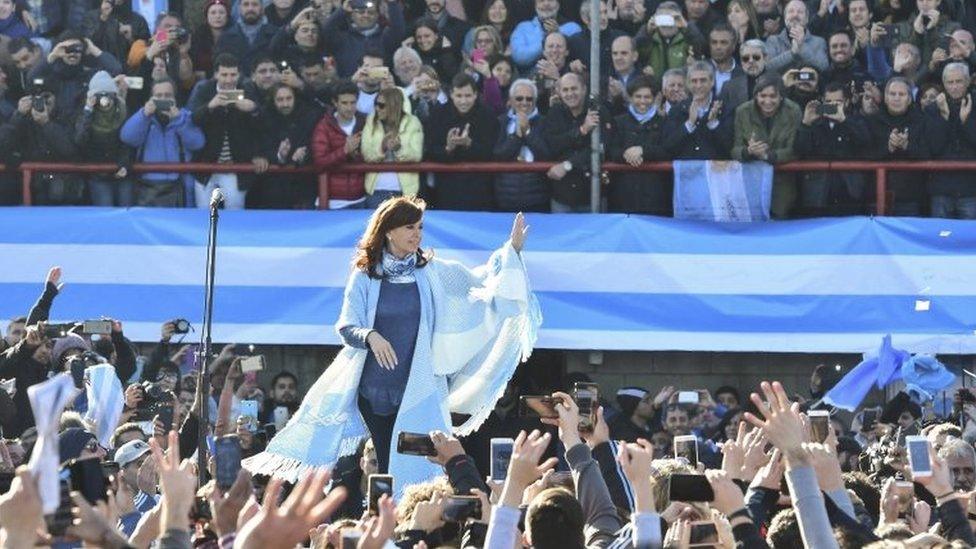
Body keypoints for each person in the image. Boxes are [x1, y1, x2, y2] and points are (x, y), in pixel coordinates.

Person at [244, 198, 540, 492]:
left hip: (421, 387)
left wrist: (511, 251)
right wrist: (370, 336)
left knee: (424, 465)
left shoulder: (431, 271)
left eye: (420, 227)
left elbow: (479, 284)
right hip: (375, 393)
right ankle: (388, 527)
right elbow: (346, 326)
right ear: (389, 230)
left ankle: (413, 525)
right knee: (387, 462)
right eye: (410, 227)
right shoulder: (364, 276)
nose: (417, 233)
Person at [187, 53, 268, 210]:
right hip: (206, 164)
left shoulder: (248, 89)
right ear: (216, 74)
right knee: (204, 213)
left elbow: (262, 125)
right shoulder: (204, 89)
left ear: (239, 74)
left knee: (235, 212)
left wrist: (253, 109)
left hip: (235, 166)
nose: (229, 79)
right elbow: (193, 119)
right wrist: (211, 106)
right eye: (224, 75)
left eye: (233, 75)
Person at [120, 77, 206, 207]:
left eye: (168, 95)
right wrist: (144, 115)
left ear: (175, 98)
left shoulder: (184, 116)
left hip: (179, 185)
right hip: (148, 186)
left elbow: (198, 143)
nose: (163, 99)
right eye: (158, 96)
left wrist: (178, 121)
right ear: (151, 98)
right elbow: (127, 137)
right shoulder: (144, 116)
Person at [795, 81, 871, 216]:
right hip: (818, 196)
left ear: (847, 102)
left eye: (838, 102)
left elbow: (865, 141)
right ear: (823, 102)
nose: (832, 106)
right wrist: (806, 124)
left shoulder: (857, 121)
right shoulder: (814, 123)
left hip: (850, 194)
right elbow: (800, 150)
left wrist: (843, 120)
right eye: (828, 102)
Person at [424, 73, 499, 211]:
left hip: (480, 191)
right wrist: (448, 148)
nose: (463, 101)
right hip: (447, 191)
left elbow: (493, 152)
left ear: (476, 94)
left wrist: (469, 144)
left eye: (468, 96)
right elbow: (429, 150)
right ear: (451, 94)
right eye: (459, 96)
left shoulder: (487, 116)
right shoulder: (438, 115)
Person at [730, 73, 800, 218]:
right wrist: (748, 151)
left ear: (781, 96)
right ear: (756, 96)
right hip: (751, 184)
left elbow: (796, 149)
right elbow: (734, 150)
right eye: (762, 96)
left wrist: (769, 156)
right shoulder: (742, 111)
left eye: (773, 96)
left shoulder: (793, 111)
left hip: (783, 185)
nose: (767, 101)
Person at [543, 72, 608, 212]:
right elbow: (552, 146)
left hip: (592, 194)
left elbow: (599, 150)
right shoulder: (554, 113)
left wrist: (568, 165)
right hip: (562, 195)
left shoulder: (598, 112)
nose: (570, 93)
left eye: (574, 88)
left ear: (584, 89)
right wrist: (582, 131)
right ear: (559, 92)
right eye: (565, 90)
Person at [607, 75, 670, 214]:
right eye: (638, 96)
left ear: (654, 98)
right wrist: (627, 154)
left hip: (655, 197)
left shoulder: (664, 123)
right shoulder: (618, 122)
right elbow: (611, 150)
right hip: (622, 195)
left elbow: (667, 150)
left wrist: (643, 151)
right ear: (630, 97)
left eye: (647, 97)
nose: (642, 101)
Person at [925, 62, 976, 219]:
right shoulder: (932, 109)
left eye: (959, 81)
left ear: (968, 82)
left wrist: (965, 121)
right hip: (941, 189)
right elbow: (933, 148)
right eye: (950, 82)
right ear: (944, 84)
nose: (954, 87)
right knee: (940, 239)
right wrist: (944, 118)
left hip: (971, 189)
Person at [492, 78, 551, 212]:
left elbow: (547, 154)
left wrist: (528, 133)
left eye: (529, 99)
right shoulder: (501, 122)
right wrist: (517, 137)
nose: (524, 103)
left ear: (535, 101)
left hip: (538, 197)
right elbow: (497, 155)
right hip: (505, 197)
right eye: (519, 99)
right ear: (511, 100)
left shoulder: (545, 122)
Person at [74, 70, 131, 207]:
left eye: (108, 95)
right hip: (99, 175)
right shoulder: (85, 116)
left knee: (127, 212)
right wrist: (88, 110)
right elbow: (80, 140)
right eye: (100, 96)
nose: (105, 101)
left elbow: (128, 141)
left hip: (122, 172)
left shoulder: (123, 111)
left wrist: (124, 164)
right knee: (105, 212)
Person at [360, 88, 424, 207]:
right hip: (376, 191)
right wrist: (382, 148)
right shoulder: (371, 121)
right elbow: (366, 154)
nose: (377, 108)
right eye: (376, 104)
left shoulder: (412, 122)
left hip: (404, 192)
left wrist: (398, 148)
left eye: (381, 105)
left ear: (393, 105)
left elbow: (416, 155)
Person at [312, 79, 368, 209]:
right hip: (332, 202)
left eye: (353, 102)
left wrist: (356, 154)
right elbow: (319, 162)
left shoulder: (366, 122)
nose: (349, 107)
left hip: (360, 199)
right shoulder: (324, 126)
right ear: (335, 102)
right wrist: (344, 151)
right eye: (344, 103)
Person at [324, 0, 406, 78]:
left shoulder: (385, 37)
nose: (366, 15)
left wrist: (392, 3)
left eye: (371, 12)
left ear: (377, 15)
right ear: (352, 15)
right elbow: (326, 31)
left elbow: (398, 29)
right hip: (349, 89)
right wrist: (342, 10)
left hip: (380, 88)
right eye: (361, 12)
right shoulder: (342, 38)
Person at [510, 0, 582, 70]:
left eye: (550, 0)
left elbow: (579, 52)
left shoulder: (573, 28)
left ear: (558, 4)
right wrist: (547, 38)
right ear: (535, 5)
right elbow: (519, 58)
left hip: (566, 77)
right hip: (531, 78)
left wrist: (558, 34)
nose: (546, 4)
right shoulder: (523, 27)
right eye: (541, 1)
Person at [214, 0, 277, 76]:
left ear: (262, 8)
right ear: (239, 8)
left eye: (255, 4)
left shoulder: (275, 34)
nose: (250, 8)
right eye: (246, 4)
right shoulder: (226, 37)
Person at [764, 0, 828, 73]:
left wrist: (802, 48)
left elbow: (823, 66)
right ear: (785, 18)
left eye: (800, 12)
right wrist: (792, 53)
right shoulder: (773, 40)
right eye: (791, 11)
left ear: (807, 19)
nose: (795, 15)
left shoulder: (819, 42)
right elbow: (767, 67)